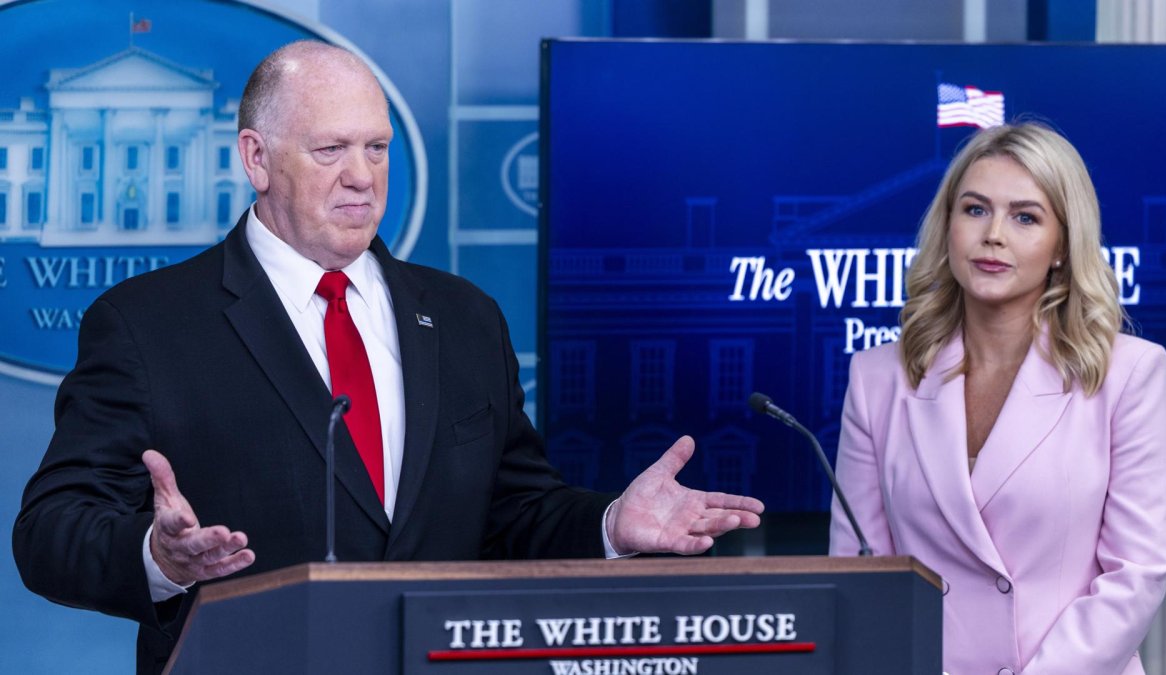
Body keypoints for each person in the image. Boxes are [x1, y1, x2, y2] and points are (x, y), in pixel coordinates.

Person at [12, 41, 764, 674]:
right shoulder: (148, 324)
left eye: (376, 148)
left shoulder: (466, 317)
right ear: (256, 158)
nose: (362, 175)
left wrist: (610, 523)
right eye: (330, 150)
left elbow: (514, 513)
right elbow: (50, 531)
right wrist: (159, 557)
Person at [828, 123, 1166, 675]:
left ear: (1062, 245)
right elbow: (860, 578)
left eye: (1025, 217)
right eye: (975, 210)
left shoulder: (1130, 374)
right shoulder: (876, 379)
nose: (993, 235)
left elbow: (1134, 576)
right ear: (947, 225)